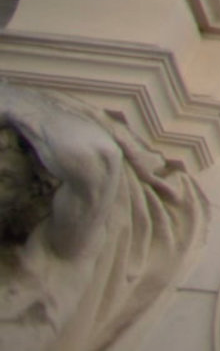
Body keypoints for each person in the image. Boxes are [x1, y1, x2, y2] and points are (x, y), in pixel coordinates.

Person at [0, 86, 206, 351]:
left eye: (3, 179)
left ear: (34, 192)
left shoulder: (52, 252)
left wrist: (12, 101)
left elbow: (96, 156)